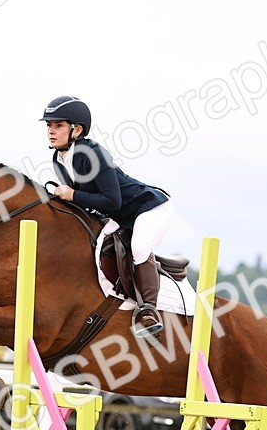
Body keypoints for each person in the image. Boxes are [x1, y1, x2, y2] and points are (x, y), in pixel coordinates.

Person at [40, 95, 173, 337]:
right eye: (49, 125)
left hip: (148, 209)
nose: (51, 131)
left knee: (140, 247)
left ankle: (148, 312)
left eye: (58, 125)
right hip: (118, 217)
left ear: (77, 130)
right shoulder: (58, 158)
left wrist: (72, 195)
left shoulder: (92, 153)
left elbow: (112, 201)